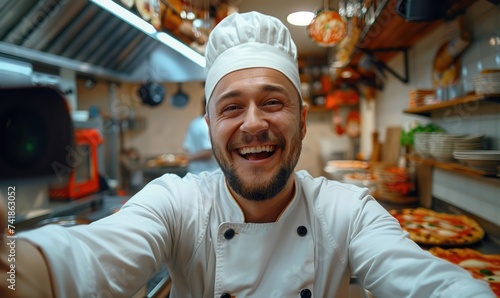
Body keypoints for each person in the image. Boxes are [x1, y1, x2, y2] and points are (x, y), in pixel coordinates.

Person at [0, 11, 495, 298]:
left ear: (302, 121)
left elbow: (430, 283)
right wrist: (14, 262)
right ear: (211, 126)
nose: (253, 123)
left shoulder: (349, 212)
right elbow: (83, 260)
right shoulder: (175, 204)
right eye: (231, 106)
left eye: (273, 102)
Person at [183, 97, 219, 174]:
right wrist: (190, 158)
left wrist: (190, 158)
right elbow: (209, 151)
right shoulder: (207, 124)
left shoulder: (193, 123)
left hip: (193, 173)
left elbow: (186, 148)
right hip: (210, 173)